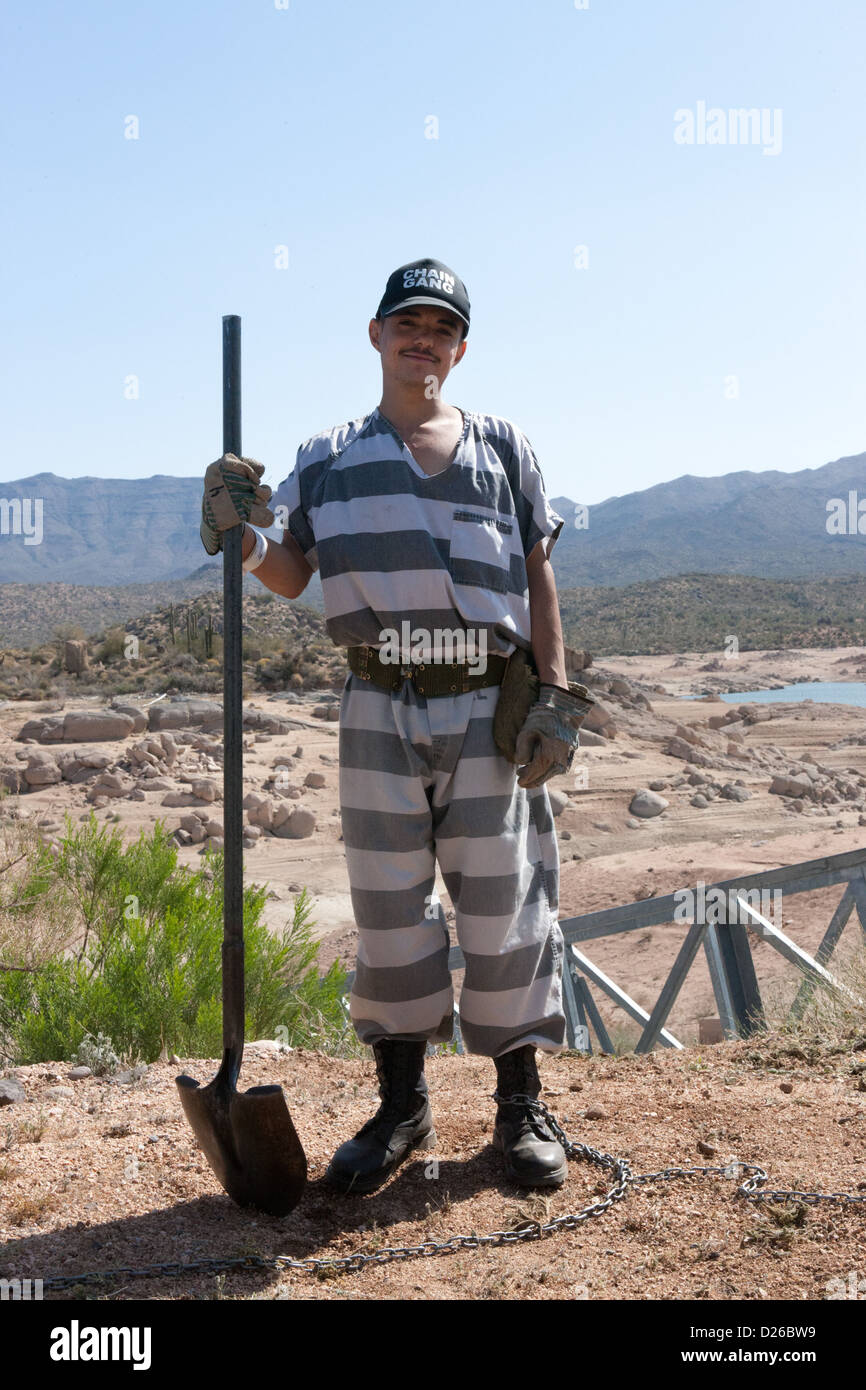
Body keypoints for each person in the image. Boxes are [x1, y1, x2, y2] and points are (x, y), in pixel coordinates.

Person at [199, 257, 589, 1195]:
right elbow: (292, 569)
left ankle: (519, 1104)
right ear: (375, 336)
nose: (423, 339)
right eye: (406, 323)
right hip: (377, 698)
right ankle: (403, 1104)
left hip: (489, 701)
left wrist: (556, 696)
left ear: (460, 350)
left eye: (442, 329)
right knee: (389, 901)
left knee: (506, 902)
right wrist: (239, 533)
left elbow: (538, 574)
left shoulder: (504, 447)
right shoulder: (328, 457)